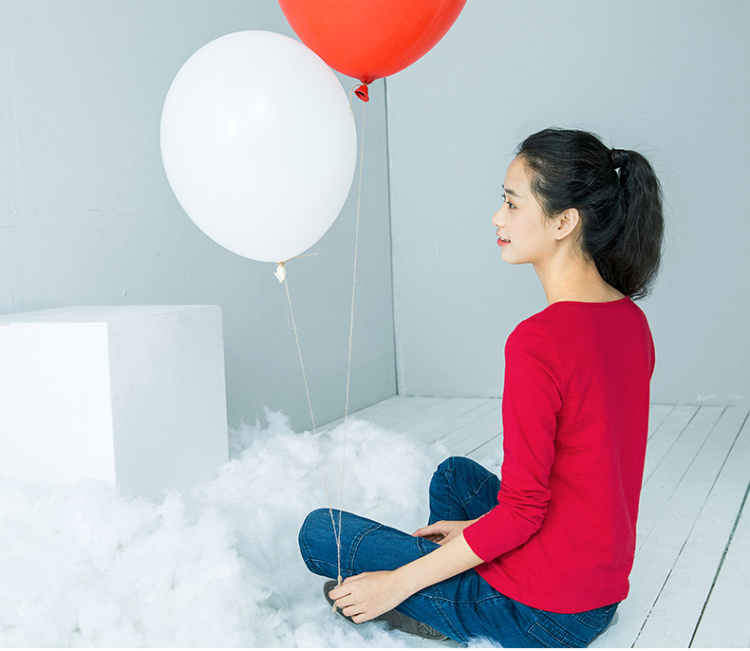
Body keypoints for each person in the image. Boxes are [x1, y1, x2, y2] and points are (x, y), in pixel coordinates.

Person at [298, 127, 664, 647]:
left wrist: (395, 584)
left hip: (543, 613)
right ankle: (448, 585)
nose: (498, 217)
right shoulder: (630, 319)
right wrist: (474, 532)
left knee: (319, 533)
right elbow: (586, 479)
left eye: (512, 204)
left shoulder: (538, 342)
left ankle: (436, 603)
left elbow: (522, 512)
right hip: (598, 587)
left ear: (564, 222)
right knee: (453, 478)